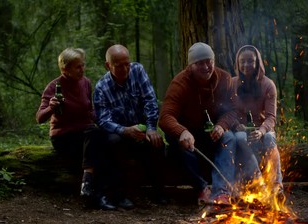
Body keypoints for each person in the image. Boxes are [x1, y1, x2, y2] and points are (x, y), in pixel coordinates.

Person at [36, 48, 116, 210]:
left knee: (105, 140)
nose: (82, 69)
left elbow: (89, 111)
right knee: (95, 138)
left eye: (83, 65)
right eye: (77, 67)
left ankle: (94, 193)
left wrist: (109, 123)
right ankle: (92, 187)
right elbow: (40, 118)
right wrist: (51, 107)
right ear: (65, 69)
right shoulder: (54, 86)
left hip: (86, 136)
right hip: (64, 137)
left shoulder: (85, 83)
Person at [158, 42, 237, 205]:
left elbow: (233, 110)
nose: (206, 67)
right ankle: (202, 188)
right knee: (180, 144)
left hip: (211, 132)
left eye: (209, 61)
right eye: (199, 63)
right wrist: (181, 131)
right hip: (187, 134)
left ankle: (222, 191)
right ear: (191, 65)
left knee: (230, 138)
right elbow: (165, 117)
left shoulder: (224, 79)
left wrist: (221, 125)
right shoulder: (180, 84)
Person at [93, 44, 168, 209]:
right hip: (120, 132)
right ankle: (120, 195)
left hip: (142, 129)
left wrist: (151, 127)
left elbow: (150, 100)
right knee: (113, 143)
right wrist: (125, 130)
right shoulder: (101, 87)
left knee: (157, 144)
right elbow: (103, 120)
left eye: (127, 63)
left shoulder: (138, 71)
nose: (125, 68)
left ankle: (159, 191)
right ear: (108, 65)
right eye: (119, 65)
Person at [231, 45, 283, 198]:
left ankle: (276, 185)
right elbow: (227, 112)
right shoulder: (232, 84)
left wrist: (261, 131)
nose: (246, 65)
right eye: (242, 61)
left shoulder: (268, 85)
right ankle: (258, 180)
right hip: (239, 130)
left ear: (257, 63)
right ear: (237, 63)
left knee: (269, 139)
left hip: (262, 129)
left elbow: (271, 117)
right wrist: (235, 125)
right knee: (240, 138)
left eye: (250, 61)